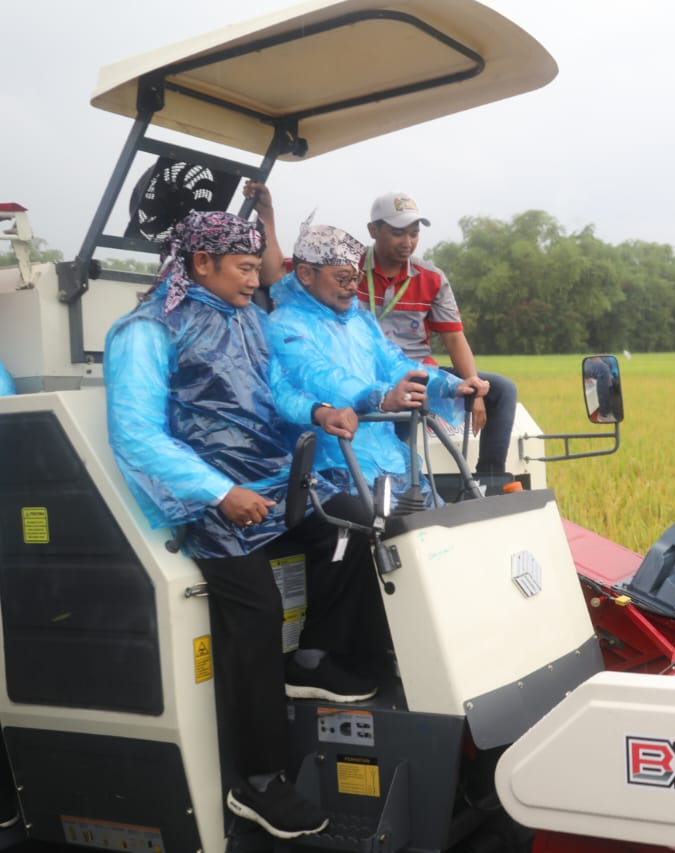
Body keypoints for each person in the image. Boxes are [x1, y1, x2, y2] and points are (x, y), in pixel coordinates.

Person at [104, 210, 380, 841]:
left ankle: (311, 658)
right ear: (202, 263)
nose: (258, 280)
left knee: (353, 521)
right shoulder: (147, 331)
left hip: (263, 479)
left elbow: (274, 388)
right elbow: (137, 435)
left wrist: (317, 409)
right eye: (247, 268)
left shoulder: (248, 317)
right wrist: (219, 491)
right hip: (198, 499)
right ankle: (257, 781)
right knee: (254, 608)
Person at [263, 211, 483, 501]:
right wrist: (380, 397)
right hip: (329, 464)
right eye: (342, 279)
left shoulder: (361, 322)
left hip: (385, 455)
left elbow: (396, 365)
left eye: (354, 278)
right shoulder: (283, 325)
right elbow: (319, 378)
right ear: (305, 274)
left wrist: (450, 385)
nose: (352, 288)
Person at [360, 192, 517, 475]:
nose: (407, 242)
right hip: (368, 374)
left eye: (414, 233)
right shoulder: (350, 271)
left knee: (502, 389)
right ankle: (396, 483)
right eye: (397, 233)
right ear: (373, 230)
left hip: (421, 374)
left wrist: (473, 384)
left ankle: (489, 481)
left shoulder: (431, 277)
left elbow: (454, 337)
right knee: (402, 404)